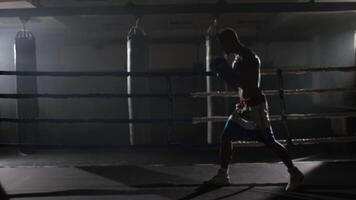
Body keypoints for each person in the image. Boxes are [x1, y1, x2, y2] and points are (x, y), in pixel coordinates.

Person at [206, 28, 304, 191]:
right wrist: (224, 74)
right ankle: (223, 174)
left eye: (223, 43)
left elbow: (249, 84)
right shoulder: (237, 59)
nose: (222, 48)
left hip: (256, 106)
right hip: (245, 106)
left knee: (269, 142)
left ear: (231, 41)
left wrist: (227, 73)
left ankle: (295, 173)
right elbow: (237, 85)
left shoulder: (250, 58)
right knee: (226, 136)